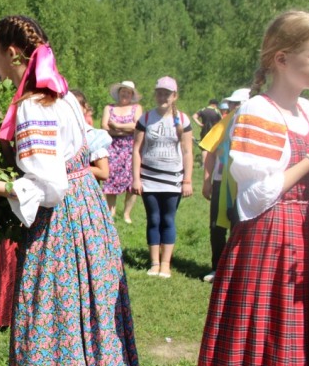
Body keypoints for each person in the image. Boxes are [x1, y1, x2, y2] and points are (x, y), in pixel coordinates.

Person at [0, 15, 142, 366]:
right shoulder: (58, 98)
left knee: (49, 327)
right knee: (80, 321)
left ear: (11, 53)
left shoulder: (33, 106)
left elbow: (50, 186)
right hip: (89, 216)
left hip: (61, 223)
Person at [183, 10, 309, 366]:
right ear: (282, 59)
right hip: (270, 241)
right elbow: (255, 197)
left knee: (301, 347)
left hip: (308, 238)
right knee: (266, 347)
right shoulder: (258, 111)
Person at [131, 76, 194, 278]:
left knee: (168, 219)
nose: (163, 96)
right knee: (153, 219)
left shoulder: (183, 120)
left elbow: (187, 152)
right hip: (149, 178)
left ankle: (166, 263)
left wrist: (187, 180)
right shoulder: (146, 119)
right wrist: (136, 178)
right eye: (159, 92)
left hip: (173, 179)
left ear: (174, 96)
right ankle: (154, 262)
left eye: (167, 93)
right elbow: (136, 150)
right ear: (155, 94)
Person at [198, 88, 250, 283]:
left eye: (239, 104)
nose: (235, 108)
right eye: (233, 104)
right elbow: (210, 151)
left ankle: (239, 270)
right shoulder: (223, 125)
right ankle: (217, 267)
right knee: (217, 227)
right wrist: (207, 181)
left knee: (241, 227)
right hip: (221, 182)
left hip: (245, 185)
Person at [102, 81, 142, 223]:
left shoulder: (136, 108)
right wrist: (125, 129)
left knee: (131, 181)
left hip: (131, 148)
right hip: (113, 148)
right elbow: (105, 126)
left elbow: (137, 126)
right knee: (111, 178)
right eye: (123, 91)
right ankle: (110, 211)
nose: (125, 94)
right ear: (118, 93)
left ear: (132, 95)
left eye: (128, 92)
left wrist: (117, 126)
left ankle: (126, 214)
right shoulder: (109, 107)